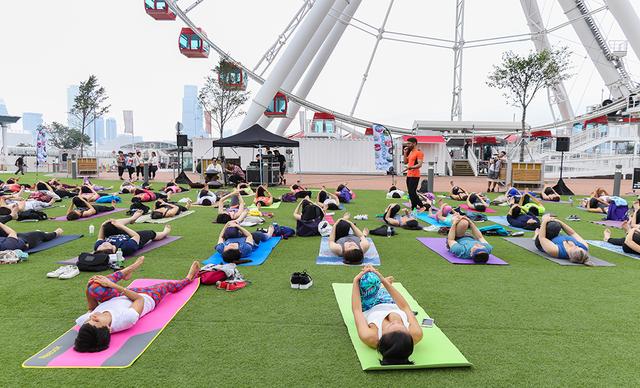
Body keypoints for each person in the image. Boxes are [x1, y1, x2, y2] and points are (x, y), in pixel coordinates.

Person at [73, 258, 200, 353]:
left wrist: (88, 287)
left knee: (95, 286)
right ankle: (188, 278)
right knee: (166, 286)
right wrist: (112, 285)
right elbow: (139, 299)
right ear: (109, 329)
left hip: (118, 297)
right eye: (96, 320)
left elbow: (91, 307)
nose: (92, 316)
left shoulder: (85, 322)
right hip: (146, 296)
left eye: (90, 319)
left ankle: (126, 271)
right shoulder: (126, 320)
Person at [351, 265, 423, 365]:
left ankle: (380, 287)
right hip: (391, 302)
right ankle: (383, 286)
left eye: (391, 325)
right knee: (378, 282)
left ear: (382, 338)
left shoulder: (370, 336)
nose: (395, 321)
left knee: (369, 279)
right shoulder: (415, 334)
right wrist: (382, 279)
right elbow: (405, 307)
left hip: (370, 305)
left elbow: (357, 310)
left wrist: (355, 281)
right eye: (401, 324)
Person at [93, 212, 171, 256]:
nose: (103, 243)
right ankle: (165, 232)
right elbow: (135, 236)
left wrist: (102, 225)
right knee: (151, 233)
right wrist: (121, 226)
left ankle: (132, 219)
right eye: (104, 245)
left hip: (119, 235)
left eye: (100, 246)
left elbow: (100, 237)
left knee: (109, 225)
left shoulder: (98, 248)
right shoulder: (126, 248)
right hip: (134, 238)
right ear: (113, 249)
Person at [403, 137, 424, 210]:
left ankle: (419, 206)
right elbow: (405, 162)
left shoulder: (419, 152)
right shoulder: (411, 152)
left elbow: (420, 164)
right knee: (410, 192)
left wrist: (410, 167)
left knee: (412, 192)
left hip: (415, 175)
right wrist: (405, 153)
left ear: (414, 143)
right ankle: (416, 206)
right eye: (407, 143)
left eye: (409, 143)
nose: (407, 145)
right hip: (409, 175)